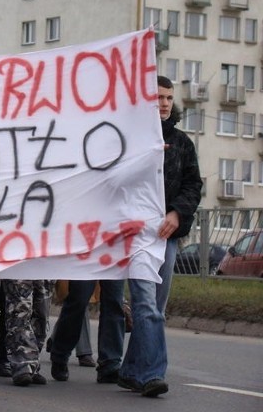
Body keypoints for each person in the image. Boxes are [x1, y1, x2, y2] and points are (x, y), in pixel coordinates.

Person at [118, 75, 202, 397]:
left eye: (168, 98)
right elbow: (115, 180)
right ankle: (153, 374)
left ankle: (130, 370)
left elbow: (193, 186)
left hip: (166, 236)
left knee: (155, 309)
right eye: (158, 98)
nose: (164, 103)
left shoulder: (182, 143)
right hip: (137, 235)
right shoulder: (131, 140)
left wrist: (177, 213)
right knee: (145, 305)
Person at [49, 280, 125, 384]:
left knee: (114, 302)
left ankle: (110, 363)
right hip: (85, 263)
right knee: (78, 299)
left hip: (114, 264)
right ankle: (60, 354)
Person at [3, 279, 50, 386]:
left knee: (41, 317)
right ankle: (22, 365)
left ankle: (32, 364)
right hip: (19, 267)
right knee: (20, 312)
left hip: (46, 269)